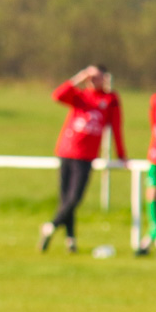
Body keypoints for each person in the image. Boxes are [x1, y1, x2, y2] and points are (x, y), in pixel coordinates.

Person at [39, 65, 127, 253]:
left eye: (98, 77)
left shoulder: (110, 99)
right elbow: (58, 95)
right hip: (66, 151)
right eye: (92, 77)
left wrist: (122, 155)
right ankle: (71, 241)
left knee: (74, 198)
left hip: (86, 156)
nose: (94, 80)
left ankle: (51, 226)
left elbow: (116, 128)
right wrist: (78, 77)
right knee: (65, 199)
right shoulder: (81, 96)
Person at [135, 92, 156, 256]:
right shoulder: (155, 100)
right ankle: (153, 234)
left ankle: (148, 240)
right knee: (152, 195)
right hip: (155, 157)